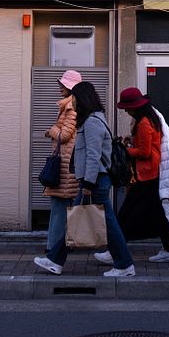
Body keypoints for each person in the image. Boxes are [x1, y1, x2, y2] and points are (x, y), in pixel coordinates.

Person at [34, 81, 136, 277]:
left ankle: (125, 265)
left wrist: (88, 183)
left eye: (74, 98)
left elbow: (93, 155)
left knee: (108, 223)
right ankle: (55, 261)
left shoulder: (92, 122)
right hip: (93, 180)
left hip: (95, 181)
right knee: (75, 220)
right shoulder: (92, 119)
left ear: (82, 99)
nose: (72, 101)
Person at [93, 87, 169, 265]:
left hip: (145, 175)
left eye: (127, 108)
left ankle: (114, 252)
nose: (126, 111)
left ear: (134, 107)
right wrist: (131, 141)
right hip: (152, 173)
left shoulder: (143, 123)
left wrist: (124, 150)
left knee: (126, 214)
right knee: (158, 214)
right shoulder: (150, 119)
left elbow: (144, 152)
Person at [40, 70, 81, 269]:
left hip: (65, 166)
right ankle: (63, 245)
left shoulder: (71, 108)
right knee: (65, 208)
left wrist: (51, 130)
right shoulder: (70, 105)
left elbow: (64, 135)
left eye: (63, 85)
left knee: (58, 209)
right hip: (67, 164)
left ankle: (52, 250)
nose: (60, 87)